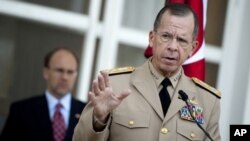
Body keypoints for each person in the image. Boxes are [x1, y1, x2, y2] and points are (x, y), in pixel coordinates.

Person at [73, 3, 221, 141]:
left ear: (192, 48)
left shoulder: (208, 101)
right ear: (152, 38)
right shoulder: (114, 85)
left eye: (182, 40)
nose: (173, 47)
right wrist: (98, 120)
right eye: (166, 36)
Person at [0, 47, 86, 141]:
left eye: (70, 72)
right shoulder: (21, 110)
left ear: (75, 75)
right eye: (59, 70)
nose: (65, 77)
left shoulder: (88, 113)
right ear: (46, 72)